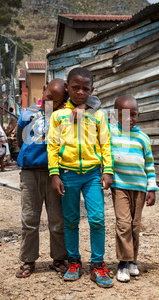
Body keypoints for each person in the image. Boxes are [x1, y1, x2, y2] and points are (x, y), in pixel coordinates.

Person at [15, 78, 101, 278]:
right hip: (30, 173)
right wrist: (29, 157)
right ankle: (28, 260)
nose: (50, 103)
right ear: (43, 89)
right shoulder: (28, 113)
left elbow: (95, 100)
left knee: (57, 220)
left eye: (57, 101)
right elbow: (21, 139)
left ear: (64, 101)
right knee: (29, 218)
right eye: (48, 97)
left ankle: (59, 258)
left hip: (56, 174)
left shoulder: (64, 114)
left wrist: (82, 105)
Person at [47, 67, 114, 288]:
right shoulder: (57, 116)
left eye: (85, 89)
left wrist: (108, 170)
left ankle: (97, 265)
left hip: (93, 174)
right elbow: (53, 146)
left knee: (97, 219)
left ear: (91, 90)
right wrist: (54, 174)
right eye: (75, 88)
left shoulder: (98, 115)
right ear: (67, 88)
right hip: (68, 174)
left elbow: (106, 144)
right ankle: (74, 262)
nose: (80, 92)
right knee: (71, 220)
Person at [110, 95, 159, 282]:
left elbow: (149, 165)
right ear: (116, 116)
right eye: (124, 115)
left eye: (133, 115)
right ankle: (122, 263)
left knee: (135, 226)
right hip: (120, 186)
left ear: (138, 114)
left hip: (139, 188)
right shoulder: (111, 133)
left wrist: (152, 188)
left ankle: (132, 261)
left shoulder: (143, 138)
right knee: (123, 224)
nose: (129, 119)